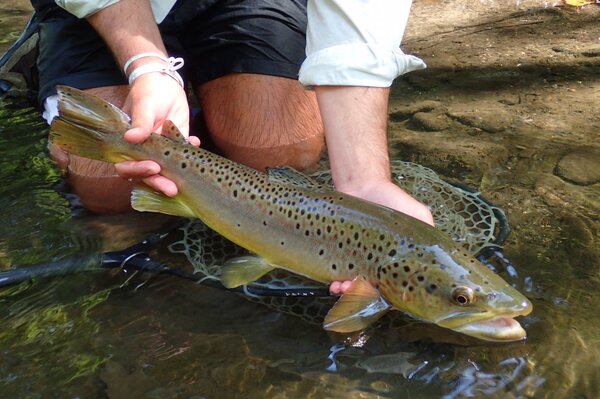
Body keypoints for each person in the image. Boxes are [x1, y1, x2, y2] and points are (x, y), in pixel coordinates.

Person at [31, 0, 434, 294]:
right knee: (108, 183)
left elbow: (358, 17)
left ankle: (201, 132)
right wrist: (147, 67)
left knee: (280, 151)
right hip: (105, 9)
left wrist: (364, 181)